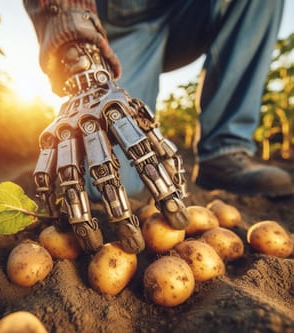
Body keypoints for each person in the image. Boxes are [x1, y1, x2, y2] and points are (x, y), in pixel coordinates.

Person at [23, 0, 293, 202]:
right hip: (121, 20)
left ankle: (224, 150)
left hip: (191, 10)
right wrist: (70, 29)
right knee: (110, 184)